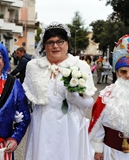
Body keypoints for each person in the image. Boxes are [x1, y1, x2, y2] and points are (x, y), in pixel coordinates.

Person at [23, 21, 97, 160]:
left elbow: (89, 103)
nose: (55, 46)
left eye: (60, 41)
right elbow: (25, 98)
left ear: (67, 44)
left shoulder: (80, 66)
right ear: (44, 46)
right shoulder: (33, 66)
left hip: (70, 126)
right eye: (50, 42)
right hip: (43, 125)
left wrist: (75, 98)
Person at [89, 34, 129, 160]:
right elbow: (97, 126)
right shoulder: (105, 97)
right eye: (123, 71)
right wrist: (97, 150)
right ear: (116, 73)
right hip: (111, 153)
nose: (127, 75)